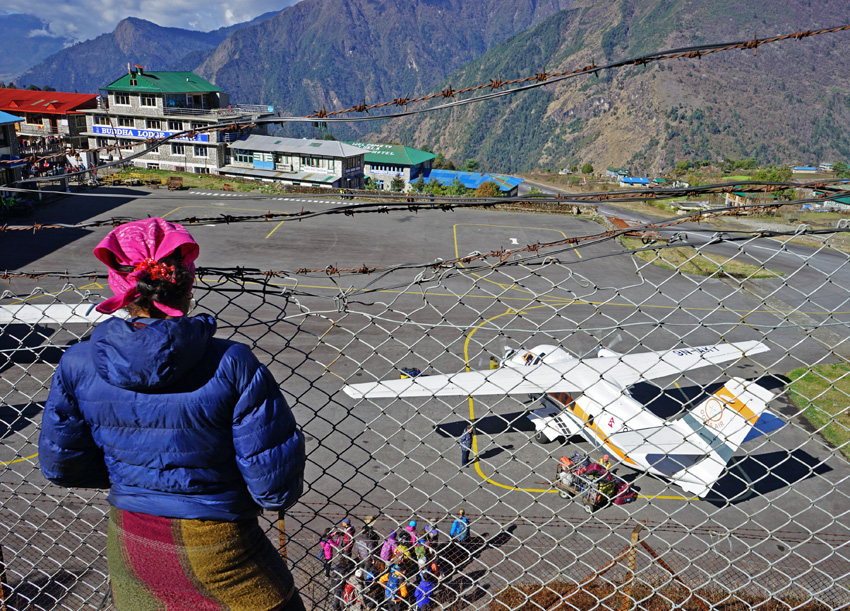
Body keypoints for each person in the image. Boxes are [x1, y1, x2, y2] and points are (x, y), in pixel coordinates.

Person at [38, 217, 307, 611]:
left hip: (132, 542)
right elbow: (274, 489)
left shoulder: (78, 363)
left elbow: (60, 465)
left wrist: (134, 473)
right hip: (219, 546)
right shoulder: (232, 363)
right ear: (187, 281)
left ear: (120, 284)